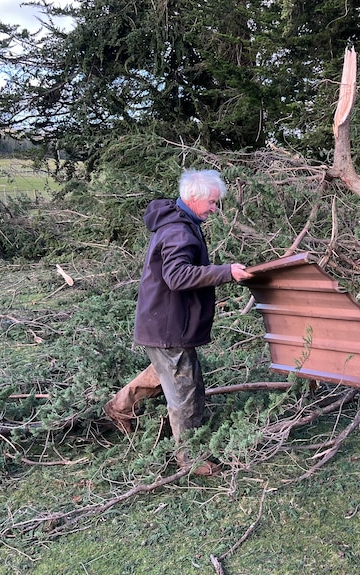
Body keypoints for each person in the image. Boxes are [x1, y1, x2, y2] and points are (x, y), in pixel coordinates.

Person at [103, 169, 252, 476]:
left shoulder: (177, 221)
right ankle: (190, 459)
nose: (214, 208)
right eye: (212, 202)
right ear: (193, 198)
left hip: (160, 323)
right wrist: (226, 272)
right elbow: (177, 276)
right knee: (186, 392)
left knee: (165, 372)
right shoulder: (178, 231)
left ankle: (119, 407)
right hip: (170, 326)